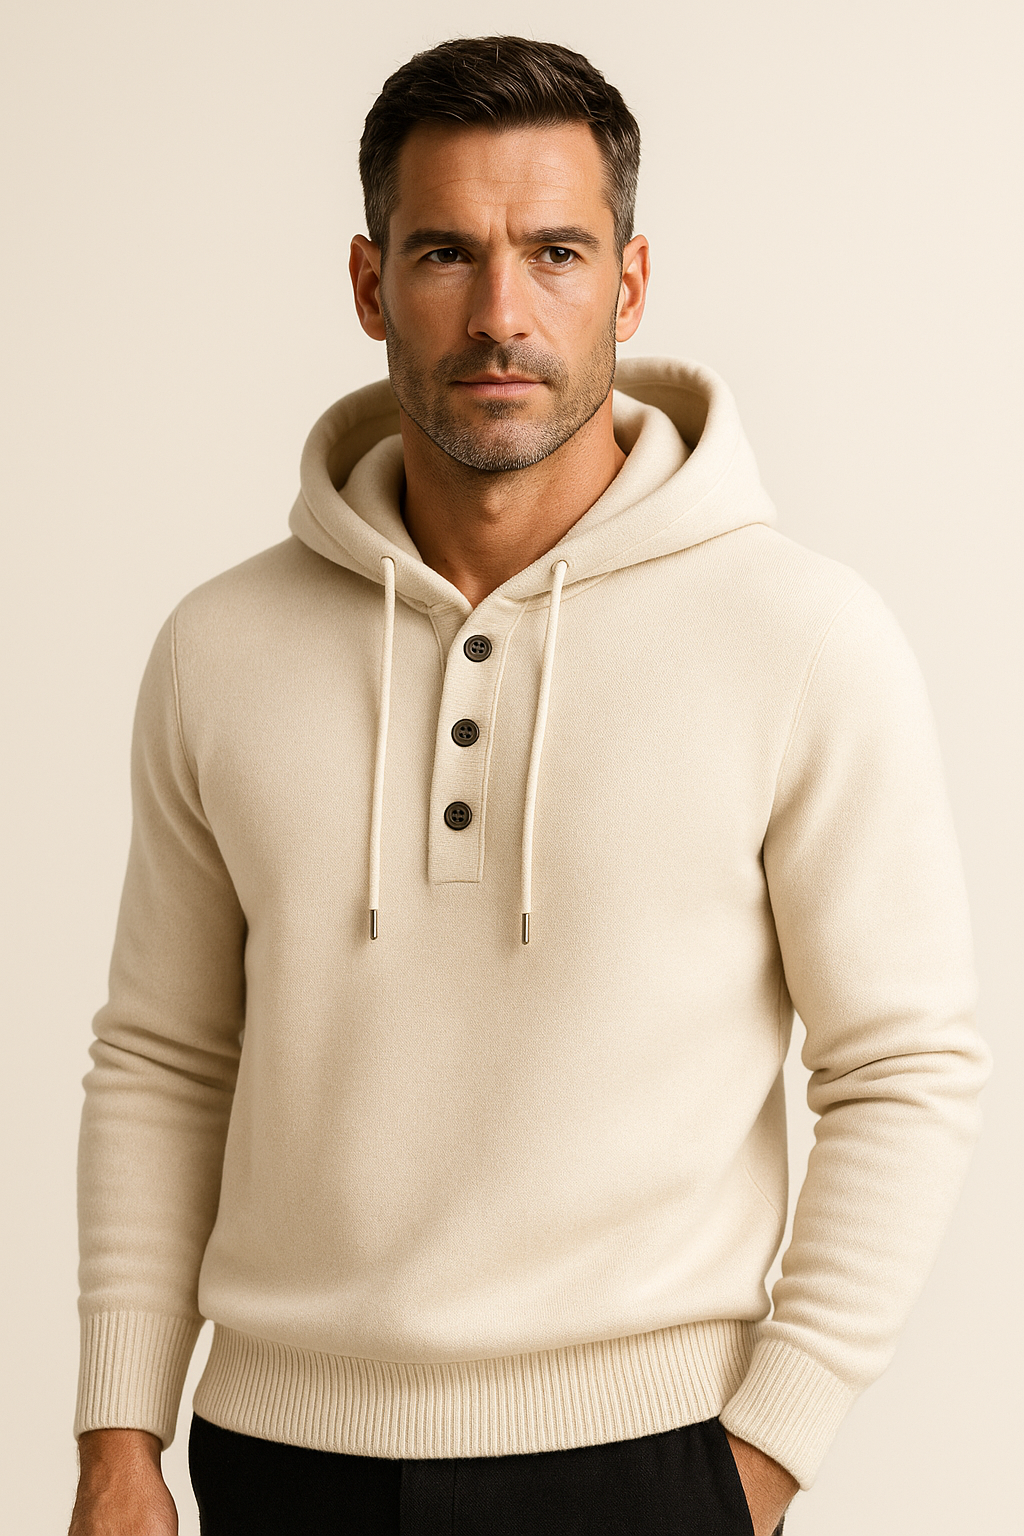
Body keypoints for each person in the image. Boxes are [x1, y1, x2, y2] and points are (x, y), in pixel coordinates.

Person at [69, 35, 989, 1536]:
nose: (502, 313)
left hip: (647, 1462)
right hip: (274, 1455)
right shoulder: (219, 647)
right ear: (370, 284)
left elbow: (905, 1063)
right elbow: (165, 1058)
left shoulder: (802, 638)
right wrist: (119, 1439)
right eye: (446, 252)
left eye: (556, 252)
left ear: (630, 283)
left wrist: (765, 1452)